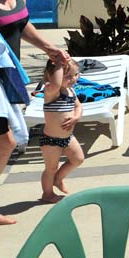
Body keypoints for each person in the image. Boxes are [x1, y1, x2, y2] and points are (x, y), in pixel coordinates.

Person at [0, 0, 69, 238]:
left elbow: (19, 22)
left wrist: (48, 47)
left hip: (5, 80)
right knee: (4, 142)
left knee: (0, 143)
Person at [39, 59, 83, 203]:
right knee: (50, 168)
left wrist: (76, 117)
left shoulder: (71, 91)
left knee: (78, 159)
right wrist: (58, 63)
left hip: (68, 137)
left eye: (76, 74)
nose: (73, 79)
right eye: (68, 76)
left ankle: (58, 178)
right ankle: (47, 193)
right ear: (52, 76)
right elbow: (56, 84)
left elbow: (78, 106)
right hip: (51, 140)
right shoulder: (51, 92)